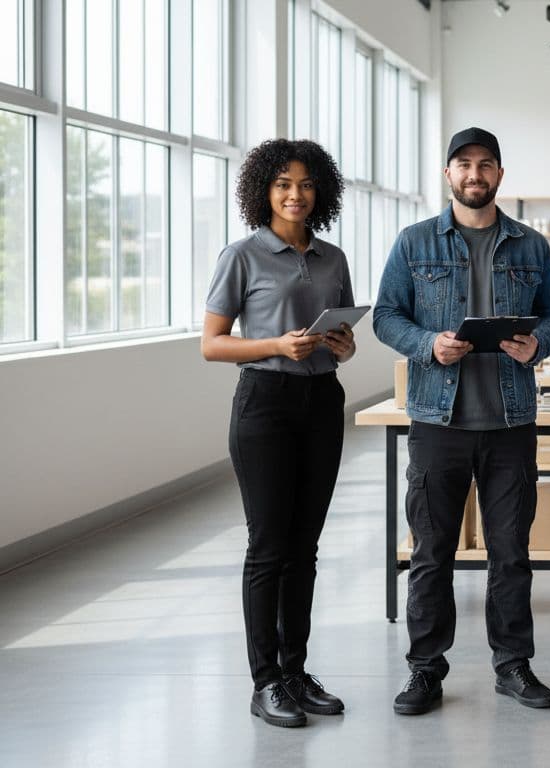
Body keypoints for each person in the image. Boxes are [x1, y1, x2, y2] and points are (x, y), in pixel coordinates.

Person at [372, 127, 550, 715]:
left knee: (510, 552)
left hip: (510, 424)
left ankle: (513, 665)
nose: (474, 174)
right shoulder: (413, 243)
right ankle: (425, 670)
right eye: (463, 164)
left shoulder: (531, 246)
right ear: (448, 174)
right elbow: (385, 316)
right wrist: (428, 343)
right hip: (438, 422)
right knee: (432, 551)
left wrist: (538, 347)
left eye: (485, 165)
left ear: (500, 175)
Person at [201, 139, 354, 728]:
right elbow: (212, 344)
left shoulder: (333, 258)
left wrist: (343, 344)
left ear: (321, 193)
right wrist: (275, 345)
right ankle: (265, 682)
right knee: (268, 548)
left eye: (307, 184)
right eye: (284, 184)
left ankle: (295, 671)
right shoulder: (242, 255)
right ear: (263, 190)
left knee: (305, 548)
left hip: (321, 401)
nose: (296, 194)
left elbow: (339, 334)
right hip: (264, 404)